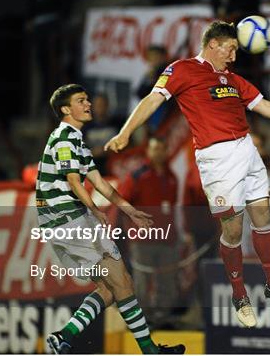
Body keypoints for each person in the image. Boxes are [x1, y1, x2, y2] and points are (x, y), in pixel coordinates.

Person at [104, 21, 270, 328]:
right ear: (212, 44)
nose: (233, 56)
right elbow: (152, 99)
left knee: (263, 216)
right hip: (217, 159)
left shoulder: (232, 79)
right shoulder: (182, 70)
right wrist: (125, 133)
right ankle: (239, 295)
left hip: (246, 148)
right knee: (232, 231)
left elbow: (265, 105)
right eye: (230, 49)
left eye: (237, 51)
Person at [37, 84, 185, 354]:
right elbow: (73, 180)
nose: (88, 104)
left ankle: (63, 337)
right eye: (81, 101)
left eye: (87, 99)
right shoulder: (65, 137)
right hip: (70, 219)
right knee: (122, 282)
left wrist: (129, 210)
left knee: (110, 289)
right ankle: (150, 350)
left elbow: (99, 182)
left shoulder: (76, 139)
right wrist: (94, 209)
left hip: (61, 222)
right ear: (65, 109)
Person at [118, 137, 181, 329]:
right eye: (155, 149)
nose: (159, 153)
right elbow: (122, 201)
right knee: (142, 281)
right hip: (143, 239)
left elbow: (171, 206)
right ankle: (139, 321)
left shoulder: (171, 176)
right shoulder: (138, 175)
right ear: (148, 151)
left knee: (167, 280)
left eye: (162, 148)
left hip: (167, 238)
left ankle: (162, 317)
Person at [83, 93, 122, 175]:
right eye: (97, 105)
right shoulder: (85, 126)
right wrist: (93, 152)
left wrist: (108, 150)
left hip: (114, 163)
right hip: (92, 165)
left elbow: (127, 145)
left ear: (108, 105)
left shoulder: (117, 123)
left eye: (102, 104)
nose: (100, 108)